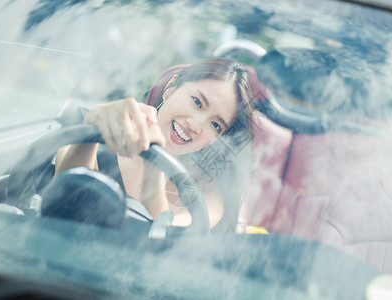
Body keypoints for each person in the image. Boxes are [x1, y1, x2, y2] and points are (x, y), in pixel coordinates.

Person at [54, 58, 254, 230]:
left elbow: (164, 245)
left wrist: (153, 169)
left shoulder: (205, 198)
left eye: (215, 125)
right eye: (197, 102)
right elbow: (64, 198)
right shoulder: (96, 145)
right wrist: (93, 129)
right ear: (170, 89)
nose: (195, 125)